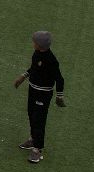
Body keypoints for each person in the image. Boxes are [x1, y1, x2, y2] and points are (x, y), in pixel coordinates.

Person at [12, 30, 65, 163]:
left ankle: (37, 149)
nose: (32, 43)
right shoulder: (36, 54)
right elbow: (34, 68)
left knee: (39, 120)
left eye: (34, 42)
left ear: (40, 45)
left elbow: (60, 79)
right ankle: (33, 139)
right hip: (33, 89)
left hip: (43, 93)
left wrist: (59, 96)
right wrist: (22, 77)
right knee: (31, 114)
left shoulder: (51, 60)